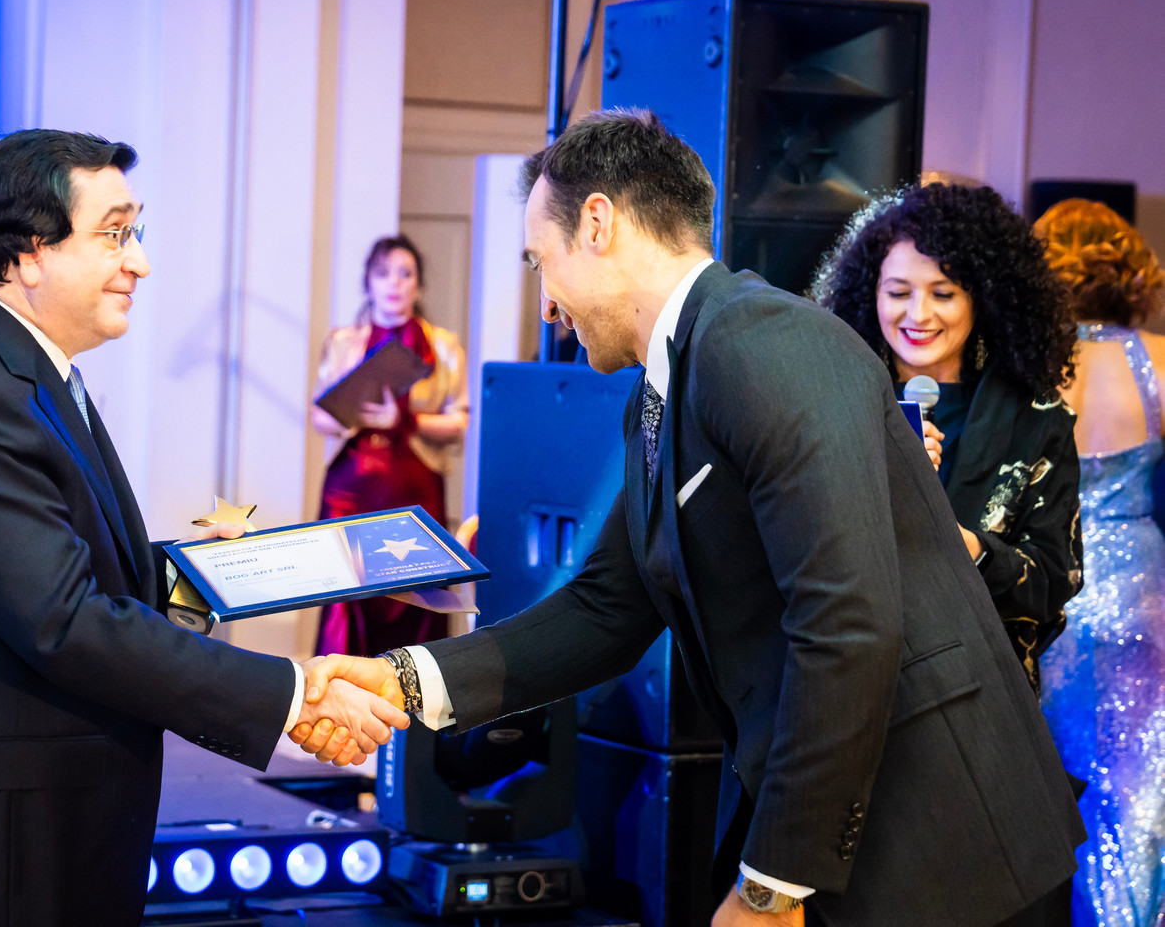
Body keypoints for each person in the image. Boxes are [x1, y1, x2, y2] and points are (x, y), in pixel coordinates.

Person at [298, 110, 1084, 927]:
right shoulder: (660, 390)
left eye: (541, 262)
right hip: (851, 831)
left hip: (944, 844)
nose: (547, 305)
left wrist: (772, 885)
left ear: (597, 224)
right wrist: (401, 679)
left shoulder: (766, 341)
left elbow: (848, 624)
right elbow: (605, 607)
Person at [0, 130, 407, 927]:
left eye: (135, 232)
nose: (139, 261)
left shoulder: (25, 373)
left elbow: (65, 577)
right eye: (114, 234)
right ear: (30, 254)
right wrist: (289, 695)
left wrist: (201, 577)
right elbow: (64, 623)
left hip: (38, 820)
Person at [815, 183, 1082, 694]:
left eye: (943, 294)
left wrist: (970, 548)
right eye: (898, 293)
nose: (918, 315)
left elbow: (1055, 579)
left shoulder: (1036, 419)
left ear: (982, 299)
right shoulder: (828, 397)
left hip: (982, 696)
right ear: (870, 293)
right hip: (850, 685)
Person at [1035, 198, 1165, 927]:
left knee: (1051, 787)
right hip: (1140, 586)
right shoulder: (1157, 358)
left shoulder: (1030, 365)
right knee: (1133, 795)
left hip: (1053, 584)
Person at [310, 234, 468, 656]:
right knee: (346, 601)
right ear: (368, 282)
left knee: (421, 599)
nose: (394, 283)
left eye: (405, 273)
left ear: (419, 285)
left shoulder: (443, 346)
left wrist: (405, 421)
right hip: (350, 492)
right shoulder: (343, 342)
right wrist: (354, 411)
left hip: (415, 490)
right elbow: (319, 416)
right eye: (383, 273)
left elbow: (459, 423)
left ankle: (417, 695)